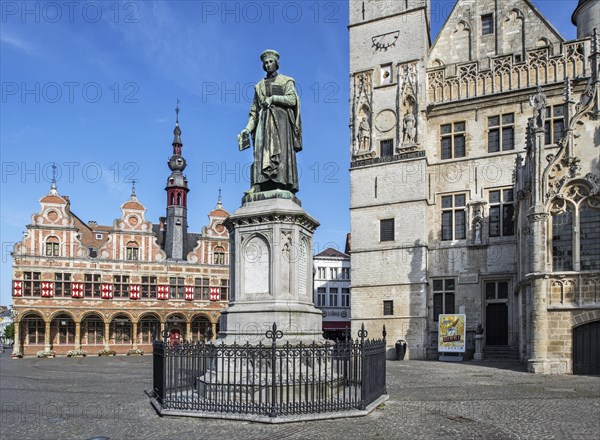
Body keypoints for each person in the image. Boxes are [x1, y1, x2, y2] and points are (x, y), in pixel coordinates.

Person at [238, 50, 302, 194]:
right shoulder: (259, 86)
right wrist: (247, 129)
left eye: (271, 62)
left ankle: (281, 182)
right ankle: (258, 185)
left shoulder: (286, 81)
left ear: (276, 63)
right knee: (260, 153)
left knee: (280, 154)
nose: (268, 65)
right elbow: (254, 112)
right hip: (263, 123)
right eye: (265, 63)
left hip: (281, 124)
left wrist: (274, 99)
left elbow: (292, 100)